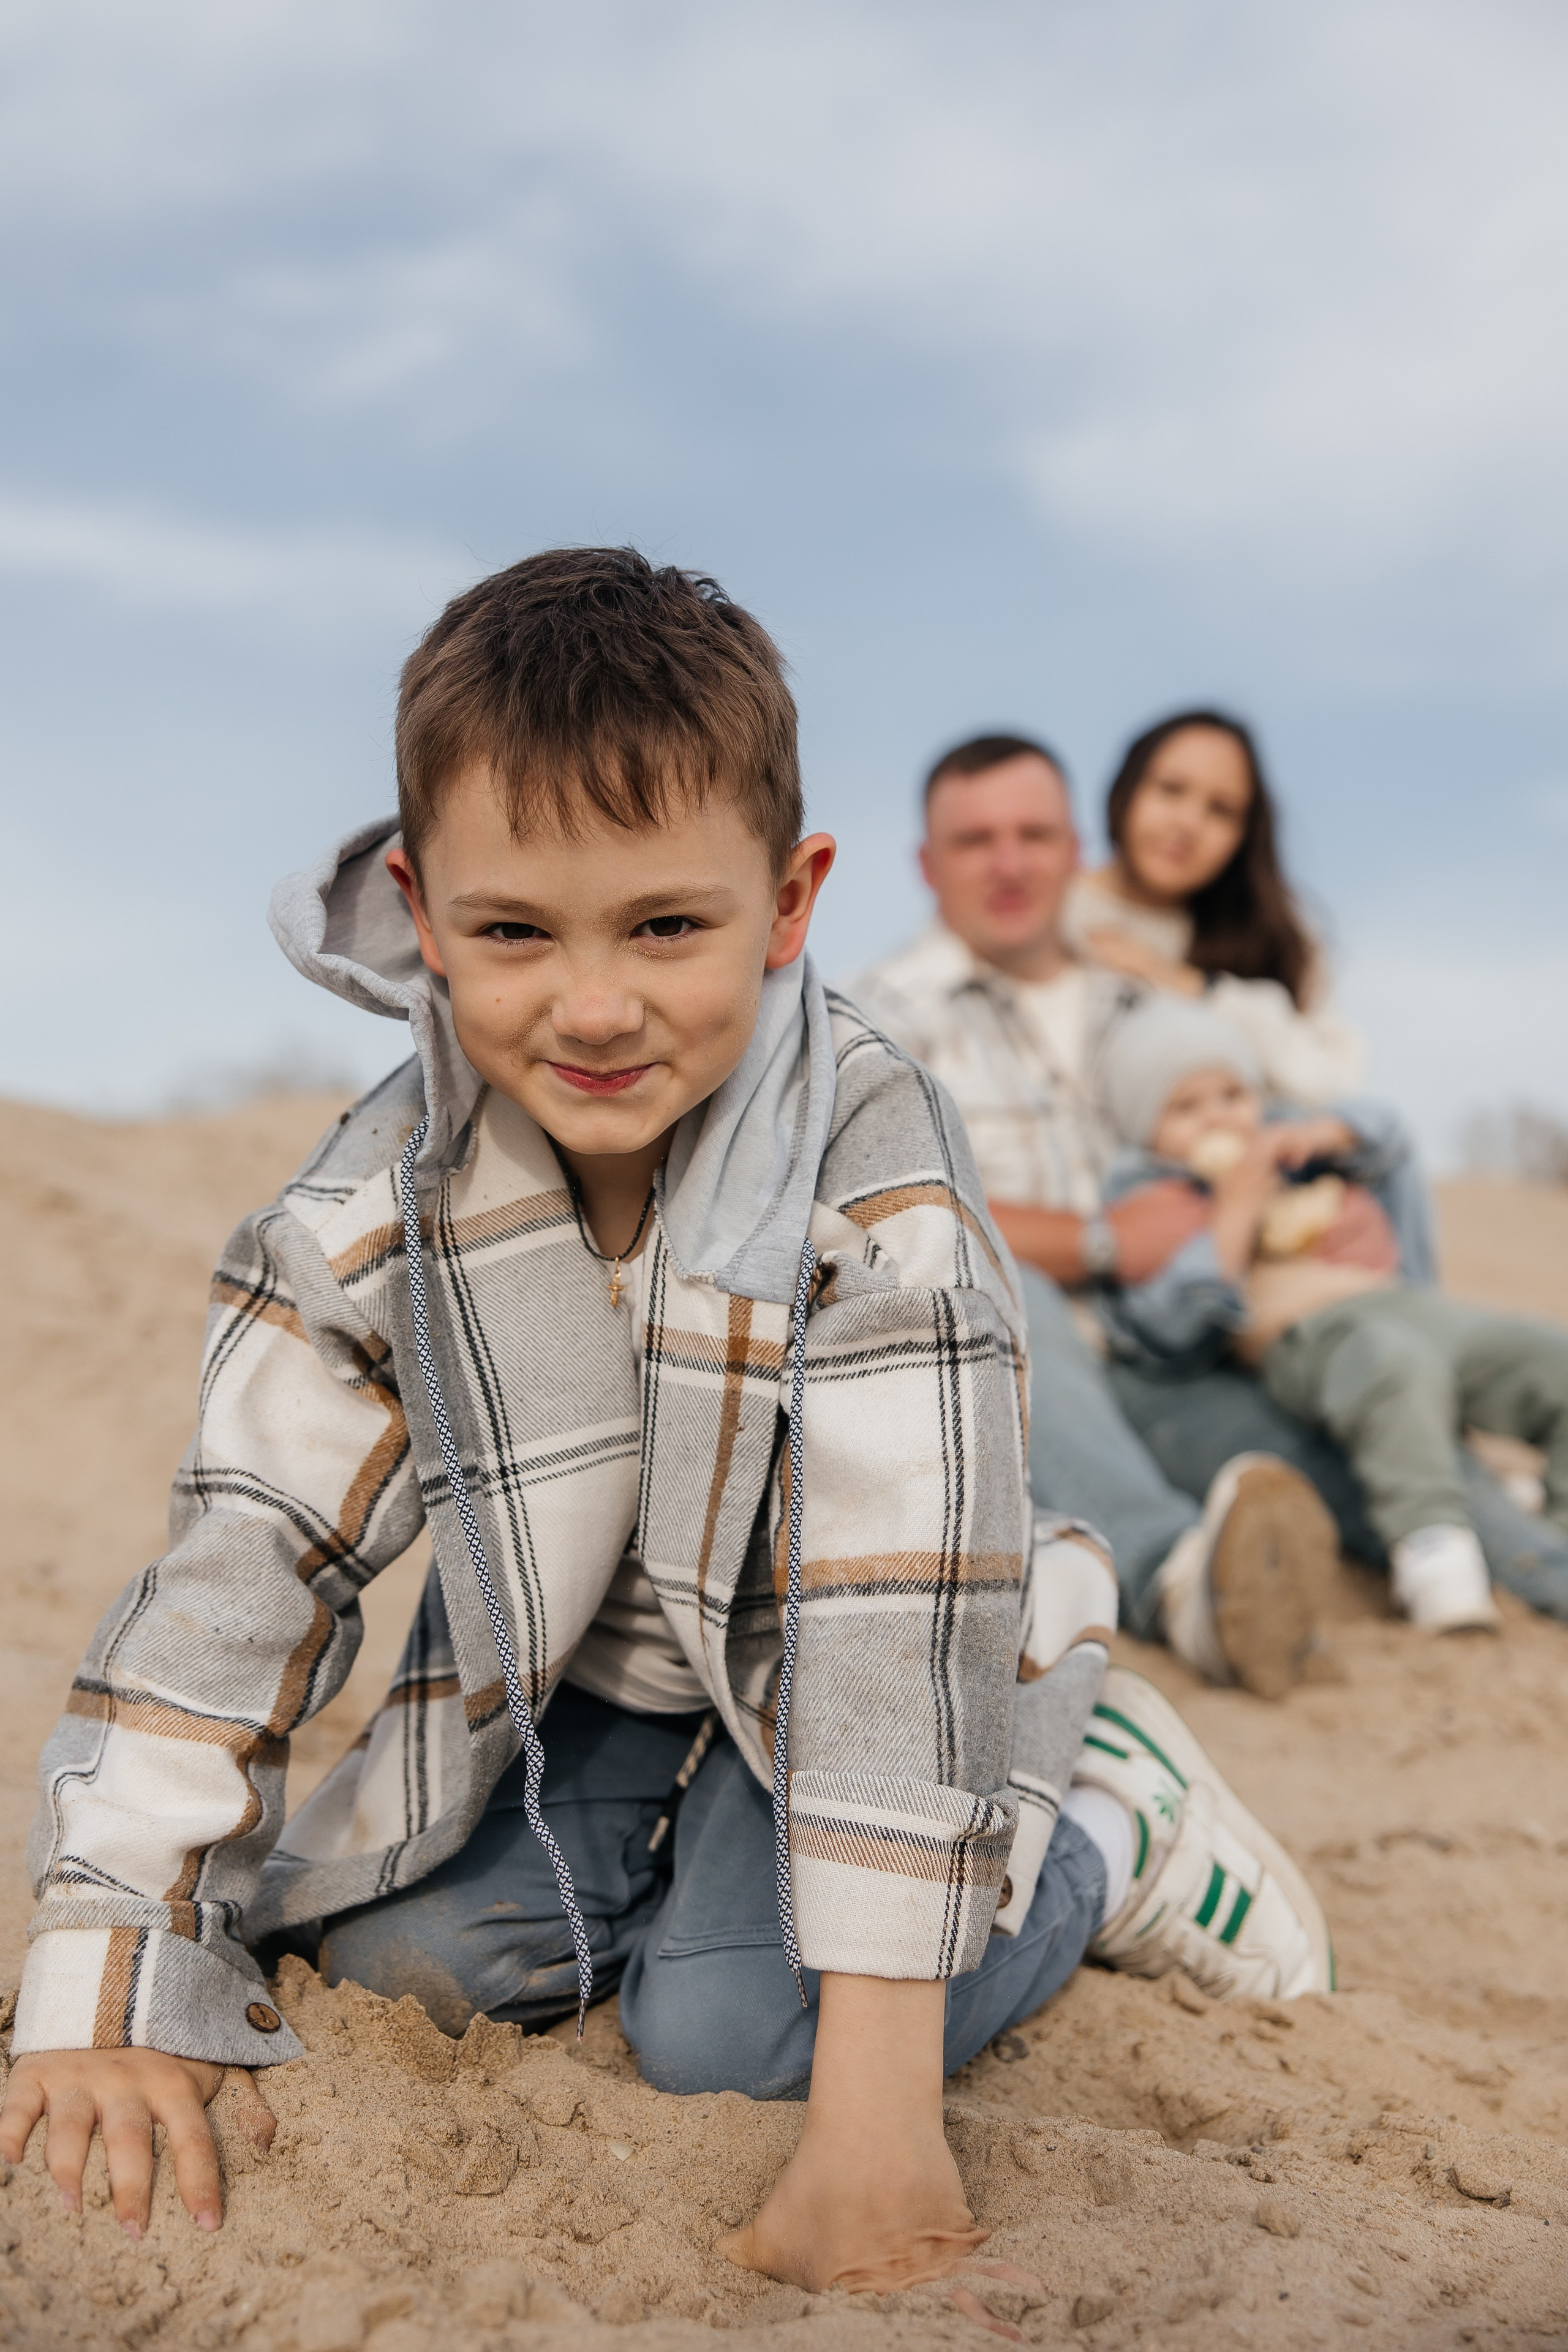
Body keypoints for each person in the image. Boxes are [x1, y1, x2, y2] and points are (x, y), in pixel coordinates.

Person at [0, 554, 1330, 2302]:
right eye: (513, 932)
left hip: (865, 1653)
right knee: (404, 1961)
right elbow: (246, 1559)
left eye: (665, 927)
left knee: (727, 2033)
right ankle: (684, 1876)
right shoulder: (376, 1198)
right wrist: (109, 1958)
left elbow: (888, 1626)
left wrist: (879, 2132)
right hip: (607, 1673)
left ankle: (1104, 1828)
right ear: (420, 907)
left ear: (787, 901)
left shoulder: (869, 1162)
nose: (595, 1006)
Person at [849, 734, 1559, 1672]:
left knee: (1394, 1459)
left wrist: (1329, 1204)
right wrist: (1104, 1242)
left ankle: (1536, 1562)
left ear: (1075, 850)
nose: (1010, 864)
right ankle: (1178, 1584)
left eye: (1035, 835)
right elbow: (890, 1209)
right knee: (1007, 1289)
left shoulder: (1143, 1003)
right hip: (1035, 1350)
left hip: (1186, 1340)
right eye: (976, 841)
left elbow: (1273, 1116)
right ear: (926, 863)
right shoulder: (882, 1019)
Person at [1095, 995, 1568, 1632]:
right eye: (1185, 1108)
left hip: (1410, 1305)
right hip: (1315, 1334)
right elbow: (1167, 1326)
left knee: (1551, 1361)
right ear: (1142, 1129)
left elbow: (1386, 1133)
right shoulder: (1153, 1194)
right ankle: (1434, 1551)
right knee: (1392, 1370)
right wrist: (1236, 1210)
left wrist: (1321, 1135)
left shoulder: (1298, 1148)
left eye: (1232, 1095)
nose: (1218, 1118)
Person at [1063, 710, 1363, 1106]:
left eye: (1221, 810)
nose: (1188, 823)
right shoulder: (1055, 914)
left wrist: (1185, 984)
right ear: (1125, 790)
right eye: (1171, 790)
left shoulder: (1276, 932)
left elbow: (1336, 1082)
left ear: (1245, 834)